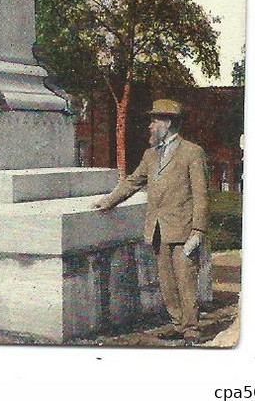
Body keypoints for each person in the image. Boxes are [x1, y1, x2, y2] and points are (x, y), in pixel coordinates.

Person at [93, 99, 209, 343]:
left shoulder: (192, 152)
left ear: (167, 123)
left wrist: (198, 230)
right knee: (166, 282)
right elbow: (133, 181)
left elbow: (201, 194)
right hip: (158, 229)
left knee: (185, 281)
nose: (150, 125)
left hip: (184, 229)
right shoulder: (150, 154)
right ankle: (178, 324)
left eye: (154, 120)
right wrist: (108, 201)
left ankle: (192, 330)